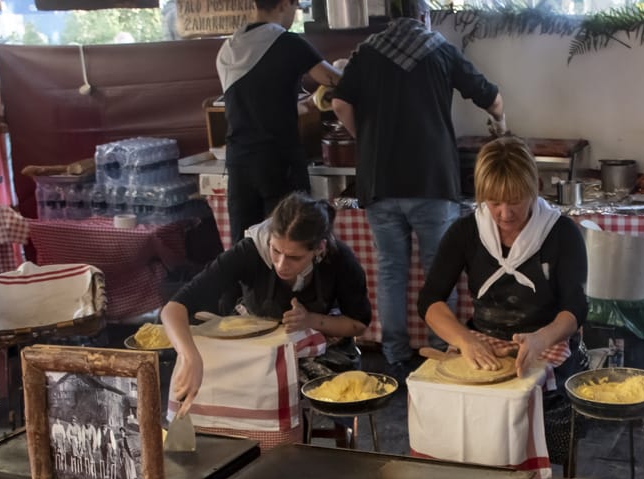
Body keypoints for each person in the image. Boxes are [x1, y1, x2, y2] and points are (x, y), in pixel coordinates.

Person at [332, 0, 505, 380]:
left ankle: (394, 354)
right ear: (423, 15)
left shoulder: (367, 51)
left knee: (391, 271)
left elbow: (339, 102)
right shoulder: (440, 49)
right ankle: (441, 349)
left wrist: (366, 140)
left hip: (379, 182)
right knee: (437, 273)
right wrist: (500, 121)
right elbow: (491, 96)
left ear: (391, 15)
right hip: (431, 181)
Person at [417, 135, 588, 460]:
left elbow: (575, 308)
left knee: (548, 432)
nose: (505, 213)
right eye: (494, 202)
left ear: (534, 188)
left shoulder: (561, 233)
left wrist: (540, 339)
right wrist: (465, 340)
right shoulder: (466, 232)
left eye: (515, 200)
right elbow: (431, 300)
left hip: (550, 341)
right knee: (470, 439)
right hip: (483, 341)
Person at [162, 192, 372, 411]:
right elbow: (174, 308)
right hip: (253, 341)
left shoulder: (339, 259)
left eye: (294, 257)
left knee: (304, 383)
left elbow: (358, 324)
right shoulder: (249, 251)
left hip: (314, 343)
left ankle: (286, 438)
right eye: (275, 251)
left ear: (319, 249)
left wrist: (311, 320)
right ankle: (236, 435)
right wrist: (190, 356)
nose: (282, 265)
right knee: (221, 377)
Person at [216, 0, 341, 244]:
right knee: (293, 238)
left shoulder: (228, 49)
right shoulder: (289, 43)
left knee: (245, 244)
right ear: (285, 4)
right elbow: (335, 80)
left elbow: (254, 102)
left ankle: (249, 284)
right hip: (278, 160)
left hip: (239, 161)